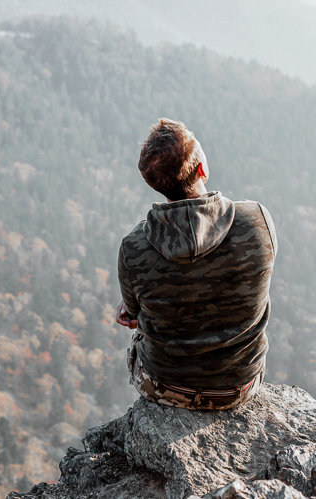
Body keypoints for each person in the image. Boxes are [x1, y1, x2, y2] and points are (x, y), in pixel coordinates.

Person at [115, 118, 277, 410]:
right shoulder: (256, 221)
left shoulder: (134, 248)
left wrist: (134, 309)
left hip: (165, 386)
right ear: (202, 168)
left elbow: (133, 315)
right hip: (240, 385)